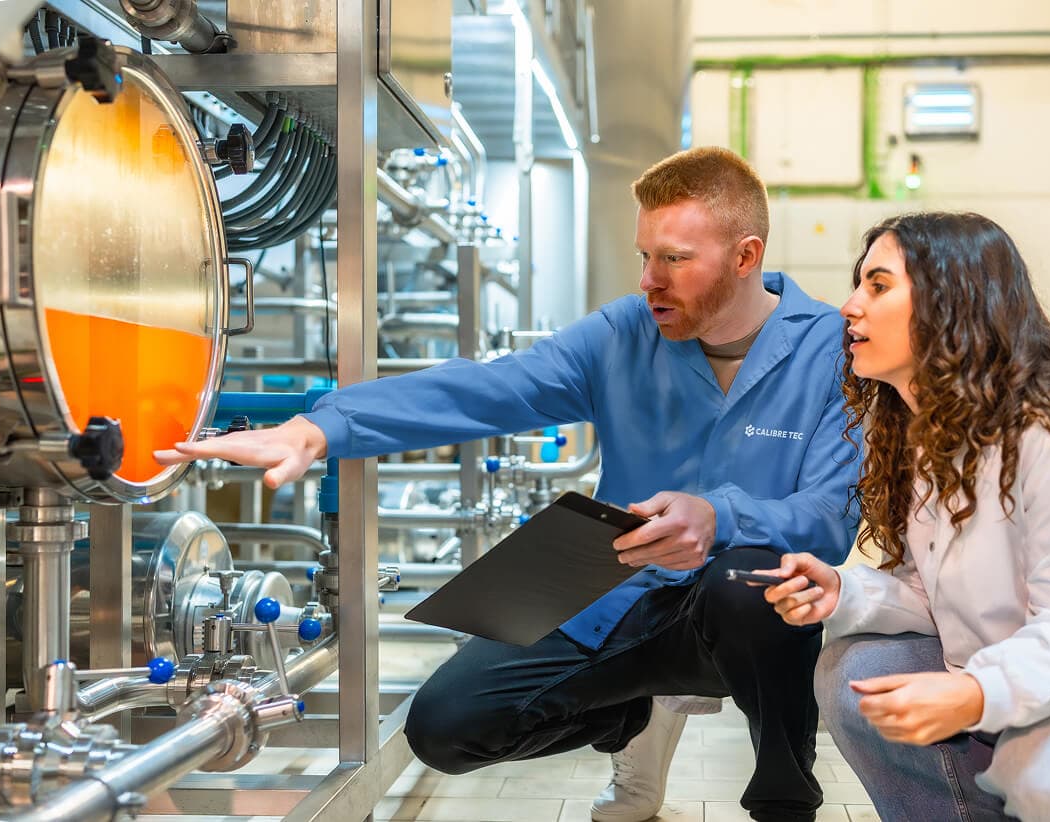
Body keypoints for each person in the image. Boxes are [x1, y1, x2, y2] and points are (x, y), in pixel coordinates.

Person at [156, 146, 859, 822]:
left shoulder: (830, 349)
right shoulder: (623, 333)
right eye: (645, 255)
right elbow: (488, 389)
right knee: (445, 728)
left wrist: (718, 516)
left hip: (738, 613)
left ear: (746, 256)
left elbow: (828, 516)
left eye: (674, 259)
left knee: (757, 585)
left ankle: (784, 802)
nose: (649, 279)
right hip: (616, 594)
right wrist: (324, 428)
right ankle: (622, 713)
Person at [758, 211, 1050, 821]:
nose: (849, 306)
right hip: (1012, 658)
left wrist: (975, 692)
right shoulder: (921, 432)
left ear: (948, 302)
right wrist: (842, 590)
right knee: (855, 674)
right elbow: (934, 590)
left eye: (877, 286)